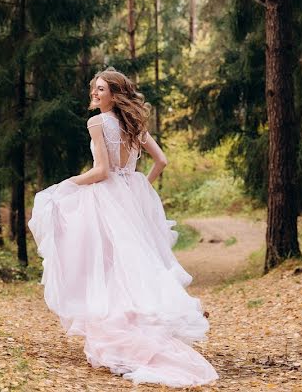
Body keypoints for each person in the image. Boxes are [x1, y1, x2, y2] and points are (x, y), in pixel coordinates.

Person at [28, 67, 219, 387]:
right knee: (129, 266)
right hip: (130, 198)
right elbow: (162, 161)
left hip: (105, 199)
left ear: (115, 95)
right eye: (94, 89)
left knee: (104, 264)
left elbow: (102, 171)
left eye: (101, 89)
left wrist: (67, 184)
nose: (94, 93)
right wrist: (139, 186)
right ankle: (133, 325)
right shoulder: (135, 125)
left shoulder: (98, 122)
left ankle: (118, 332)